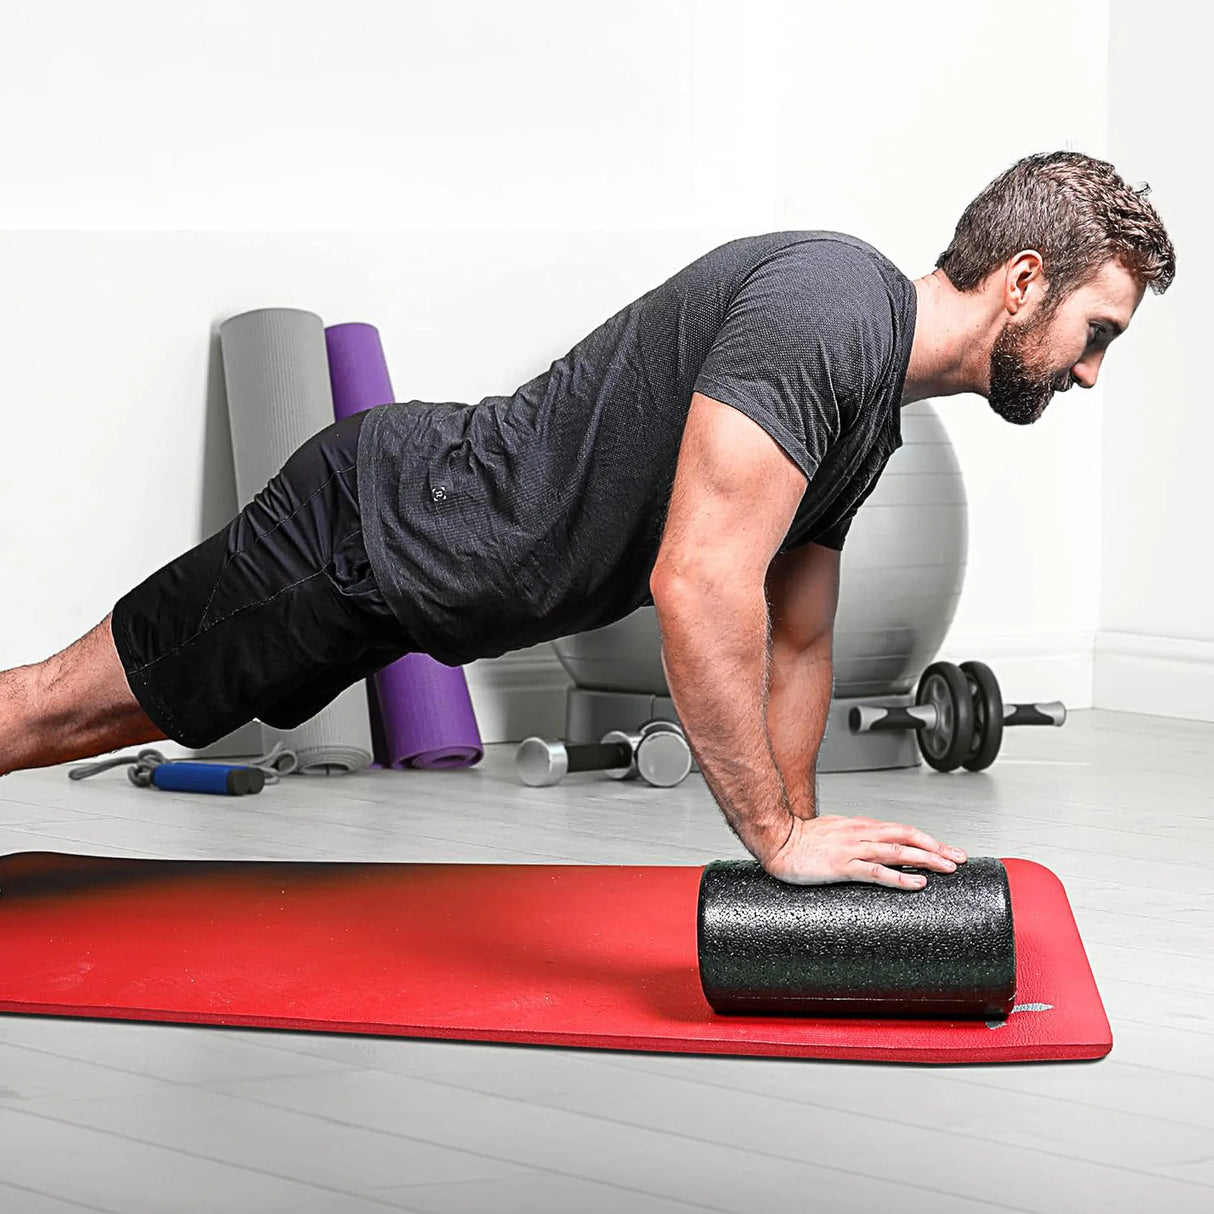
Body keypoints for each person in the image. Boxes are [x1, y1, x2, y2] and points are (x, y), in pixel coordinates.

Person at [0, 151, 1175, 891]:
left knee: (92, 712)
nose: (1086, 375)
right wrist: (770, 834)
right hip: (372, 528)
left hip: (416, 575)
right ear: (1020, 282)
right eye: (1098, 332)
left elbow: (797, 638)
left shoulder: (865, 404)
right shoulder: (826, 314)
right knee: (71, 707)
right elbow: (697, 581)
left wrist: (807, 842)